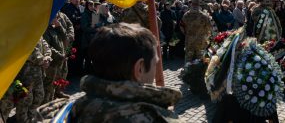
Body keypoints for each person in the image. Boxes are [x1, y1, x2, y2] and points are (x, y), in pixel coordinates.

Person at [37, 23, 182, 122]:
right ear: (140, 68)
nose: (157, 68)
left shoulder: (59, 112)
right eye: (155, 62)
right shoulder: (158, 118)